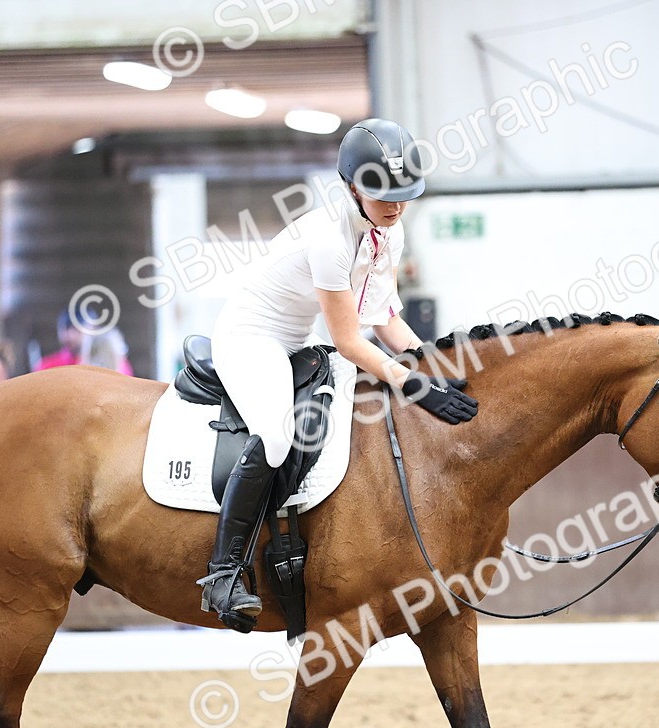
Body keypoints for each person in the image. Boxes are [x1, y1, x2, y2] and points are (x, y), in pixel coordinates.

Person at [202, 118, 479, 632]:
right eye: (382, 195)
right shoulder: (330, 239)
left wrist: (436, 368)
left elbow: (386, 319)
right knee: (279, 436)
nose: (394, 206)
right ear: (352, 187)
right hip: (252, 336)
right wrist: (413, 385)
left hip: (304, 333)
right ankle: (223, 574)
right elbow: (351, 340)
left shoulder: (385, 235)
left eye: (403, 195)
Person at [36, 309, 134, 376]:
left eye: (77, 329)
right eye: (66, 328)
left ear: (93, 329)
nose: (70, 335)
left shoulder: (119, 364)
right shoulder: (47, 366)